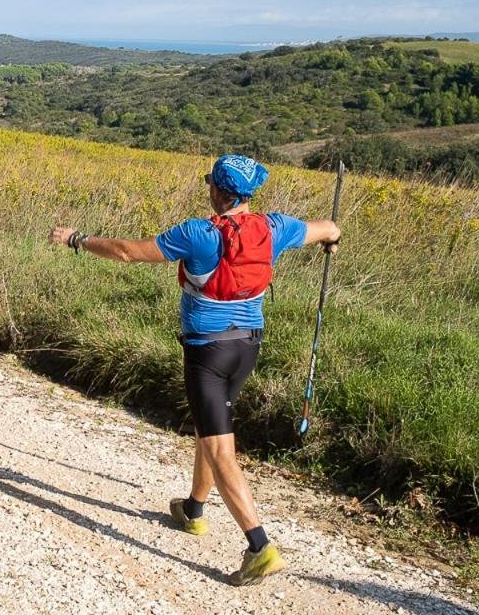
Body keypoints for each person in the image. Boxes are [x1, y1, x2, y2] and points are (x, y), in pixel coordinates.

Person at [48, 154, 341, 586]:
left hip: (207, 353)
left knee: (221, 447)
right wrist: (331, 239)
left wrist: (77, 238)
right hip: (247, 346)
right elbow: (328, 229)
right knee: (211, 428)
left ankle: (260, 546)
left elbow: (128, 253)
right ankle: (194, 510)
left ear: (219, 191)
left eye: (210, 183)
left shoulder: (199, 233)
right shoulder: (274, 228)